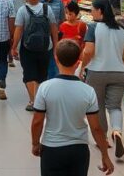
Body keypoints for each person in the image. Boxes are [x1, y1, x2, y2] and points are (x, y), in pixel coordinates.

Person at [31, 39, 115, 176]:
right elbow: (95, 128)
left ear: (56, 58)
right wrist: (105, 155)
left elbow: (37, 121)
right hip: (79, 149)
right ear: (78, 61)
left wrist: (35, 143)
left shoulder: (44, 88)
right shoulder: (88, 91)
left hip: (52, 149)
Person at [80, 0, 124, 159]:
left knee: (99, 106)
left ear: (100, 11)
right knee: (115, 106)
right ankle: (117, 131)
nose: (91, 12)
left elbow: (88, 51)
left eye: (92, 9)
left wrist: (82, 67)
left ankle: (102, 137)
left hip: (97, 72)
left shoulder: (93, 28)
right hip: (118, 73)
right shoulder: (122, 29)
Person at [12, 0, 60, 112]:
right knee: (41, 75)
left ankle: (33, 101)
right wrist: (55, 45)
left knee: (29, 74)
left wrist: (13, 47)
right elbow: (53, 28)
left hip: (27, 47)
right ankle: (38, 100)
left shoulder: (23, 10)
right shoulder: (47, 9)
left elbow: (18, 30)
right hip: (46, 47)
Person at [41, 0, 64, 79]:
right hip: (40, 36)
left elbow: (62, 17)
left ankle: (52, 82)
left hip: (54, 35)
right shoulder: (37, 0)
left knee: (53, 60)